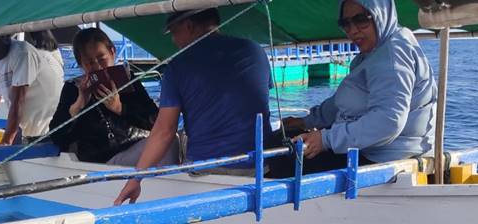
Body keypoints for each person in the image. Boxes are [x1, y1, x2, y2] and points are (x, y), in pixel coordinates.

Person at [114, 8, 273, 205]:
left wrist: (135, 179)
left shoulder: (177, 67)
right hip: (260, 165)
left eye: (173, 32)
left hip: (208, 169)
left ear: (188, 26)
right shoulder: (255, 50)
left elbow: (165, 131)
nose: (173, 40)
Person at [277, 0, 436, 175]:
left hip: (383, 161)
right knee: (286, 138)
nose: (352, 30)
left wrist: (326, 140)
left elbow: (388, 120)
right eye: (345, 23)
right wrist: (307, 121)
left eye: (361, 19)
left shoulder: (391, 55)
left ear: (380, 14)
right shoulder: (377, 50)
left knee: (280, 158)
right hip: (370, 151)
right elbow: (343, 102)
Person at [49, 28, 177, 165]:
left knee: (170, 140)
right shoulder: (73, 89)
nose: (98, 67)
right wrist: (77, 107)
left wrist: (120, 108)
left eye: (101, 59)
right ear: (81, 64)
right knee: (167, 144)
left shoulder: (127, 80)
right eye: (90, 63)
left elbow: (155, 121)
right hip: (100, 161)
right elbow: (57, 137)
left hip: (133, 147)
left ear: (112, 52)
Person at [0, 35, 63, 148]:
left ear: (5, 38)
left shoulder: (23, 53)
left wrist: (6, 141)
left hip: (47, 129)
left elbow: (18, 101)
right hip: (24, 128)